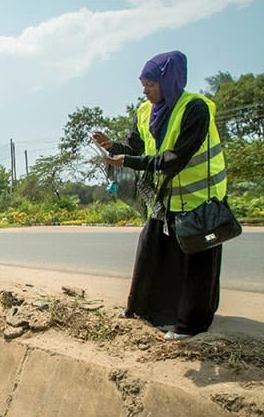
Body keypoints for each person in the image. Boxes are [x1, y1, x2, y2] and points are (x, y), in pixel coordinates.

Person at [92, 50, 226, 341]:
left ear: (170, 81)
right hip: (166, 198)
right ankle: (142, 310)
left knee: (197, 263)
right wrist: (114, 146)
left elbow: (174, 158)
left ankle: (192, 325)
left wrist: (127, 162)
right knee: (152, 251)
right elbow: (137, 147)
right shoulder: (144, 111)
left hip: (200, 197)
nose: (145, 90)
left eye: (150, 84)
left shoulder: (196, 109)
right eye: (142, 84)